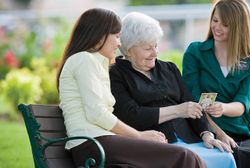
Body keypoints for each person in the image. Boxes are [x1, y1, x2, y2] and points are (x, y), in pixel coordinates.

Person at [57, 8, 206, 168]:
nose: (119, 43)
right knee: (184, 157)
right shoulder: (84, 60)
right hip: (93, 145)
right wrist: (139, 136)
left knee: (184, 156)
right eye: (116, 36)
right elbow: (97, 114)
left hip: (102, 141)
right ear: (100, 36)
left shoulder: (97, 63)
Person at [110, 12, 236, 168]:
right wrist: (178, 110)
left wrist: (207, 134)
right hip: (156, 144)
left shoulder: (168, 68)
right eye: (148, 48)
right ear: (128, 50)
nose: (155, 53)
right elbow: (131, 115)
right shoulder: (115, 74)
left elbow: (190, 104)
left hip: (190, 139)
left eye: (156, 45)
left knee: (225, 158)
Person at [182, 0, 250, 168]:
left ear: (239, 27)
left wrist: (222, 108)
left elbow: (243, 103)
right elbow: (192, 99)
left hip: (237, 129)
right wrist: (219, 133)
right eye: (215, 21)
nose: (217, 27)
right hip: (201, 127)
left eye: (225, 24)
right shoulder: (195, 52)